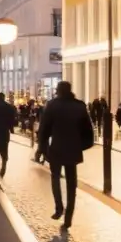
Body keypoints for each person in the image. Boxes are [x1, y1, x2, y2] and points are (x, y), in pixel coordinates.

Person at [37, 81, 94, 228]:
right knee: (71, 184)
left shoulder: (52, 105)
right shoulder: (79, 106)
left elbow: (44, 129)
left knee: (55, 178)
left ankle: (59, 208)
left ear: (58, 91)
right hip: (73, 149)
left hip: (56, 148)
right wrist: (81, 146)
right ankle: (69, 217)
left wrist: (42, 148)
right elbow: (88, 132)